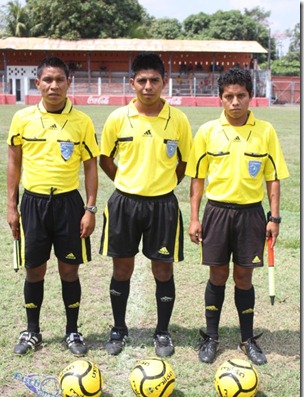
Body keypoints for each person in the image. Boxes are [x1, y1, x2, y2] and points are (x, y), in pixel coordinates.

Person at [186, 67, 289, 365]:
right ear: (220, 98)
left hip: (251, 215)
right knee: (217, 274)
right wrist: (194, 217)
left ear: (250, 97)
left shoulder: (265, 131)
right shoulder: (207, 131)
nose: (234, 102)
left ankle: (247, 338)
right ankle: (211, 336)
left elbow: (273, 178)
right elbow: (197, 179)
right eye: (228, 96)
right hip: (217, 212)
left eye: (240, 96)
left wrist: (275, 218)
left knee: (244, 277)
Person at [99, 52, 192, 357]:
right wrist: (127, 182)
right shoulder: (117, 118)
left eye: (154, 80)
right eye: (142, 80)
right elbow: (105, 160)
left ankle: (162, 332)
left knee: (162, 270)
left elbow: (184, 164)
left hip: (163, 205)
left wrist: (162, 185)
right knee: (122, 268)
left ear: (164, 82)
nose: (148, 86)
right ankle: (118, 329)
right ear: (132, 83)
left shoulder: (178, 120)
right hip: (125, 203)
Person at [7, 56, 100, 356]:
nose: (54, 85)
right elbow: (13, 163)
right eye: (47, 80)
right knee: (34, 270)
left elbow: (90, 167)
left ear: (68, 82)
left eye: (60, 79)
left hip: (68, 204)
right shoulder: (22, 119)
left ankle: (72, 331)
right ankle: (32, 330)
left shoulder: (82, 121)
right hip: (33, 204)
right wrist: (11, 207)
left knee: (69, 271)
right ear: (38, 84)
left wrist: (90, 208)